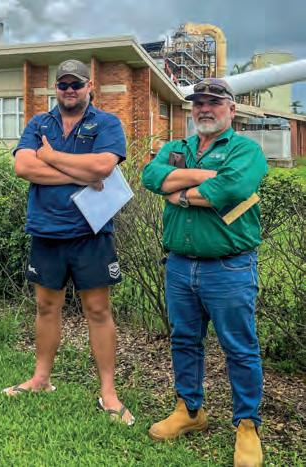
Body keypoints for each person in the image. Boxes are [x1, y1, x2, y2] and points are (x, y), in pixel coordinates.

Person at [142, 78, 267, 467]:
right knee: (184, 340)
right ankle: (190, 410)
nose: (204, 109)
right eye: (198, 103)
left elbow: (234, 188)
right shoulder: (176, 148)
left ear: (232, 109)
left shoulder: (246, 149)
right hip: (180, 265)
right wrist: (206, 177)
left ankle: (247, 425)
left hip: (229, 267)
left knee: (239, 348)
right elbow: (150, 177)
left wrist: (177, 193)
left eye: (214, 102)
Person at [4, 59, 135, 425]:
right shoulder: (39, 123)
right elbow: (23, 167)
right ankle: (40, 379)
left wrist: (50, 157)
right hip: (46, 231)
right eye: (63, 85)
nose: (69, 90)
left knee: (98, 310)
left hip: (91, 233)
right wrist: (81, 172)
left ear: (89, 85)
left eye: (76, 84)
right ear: (55, 89)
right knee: (46, 307)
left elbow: (103, 167)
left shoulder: (106, 123)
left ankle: (108, 393)